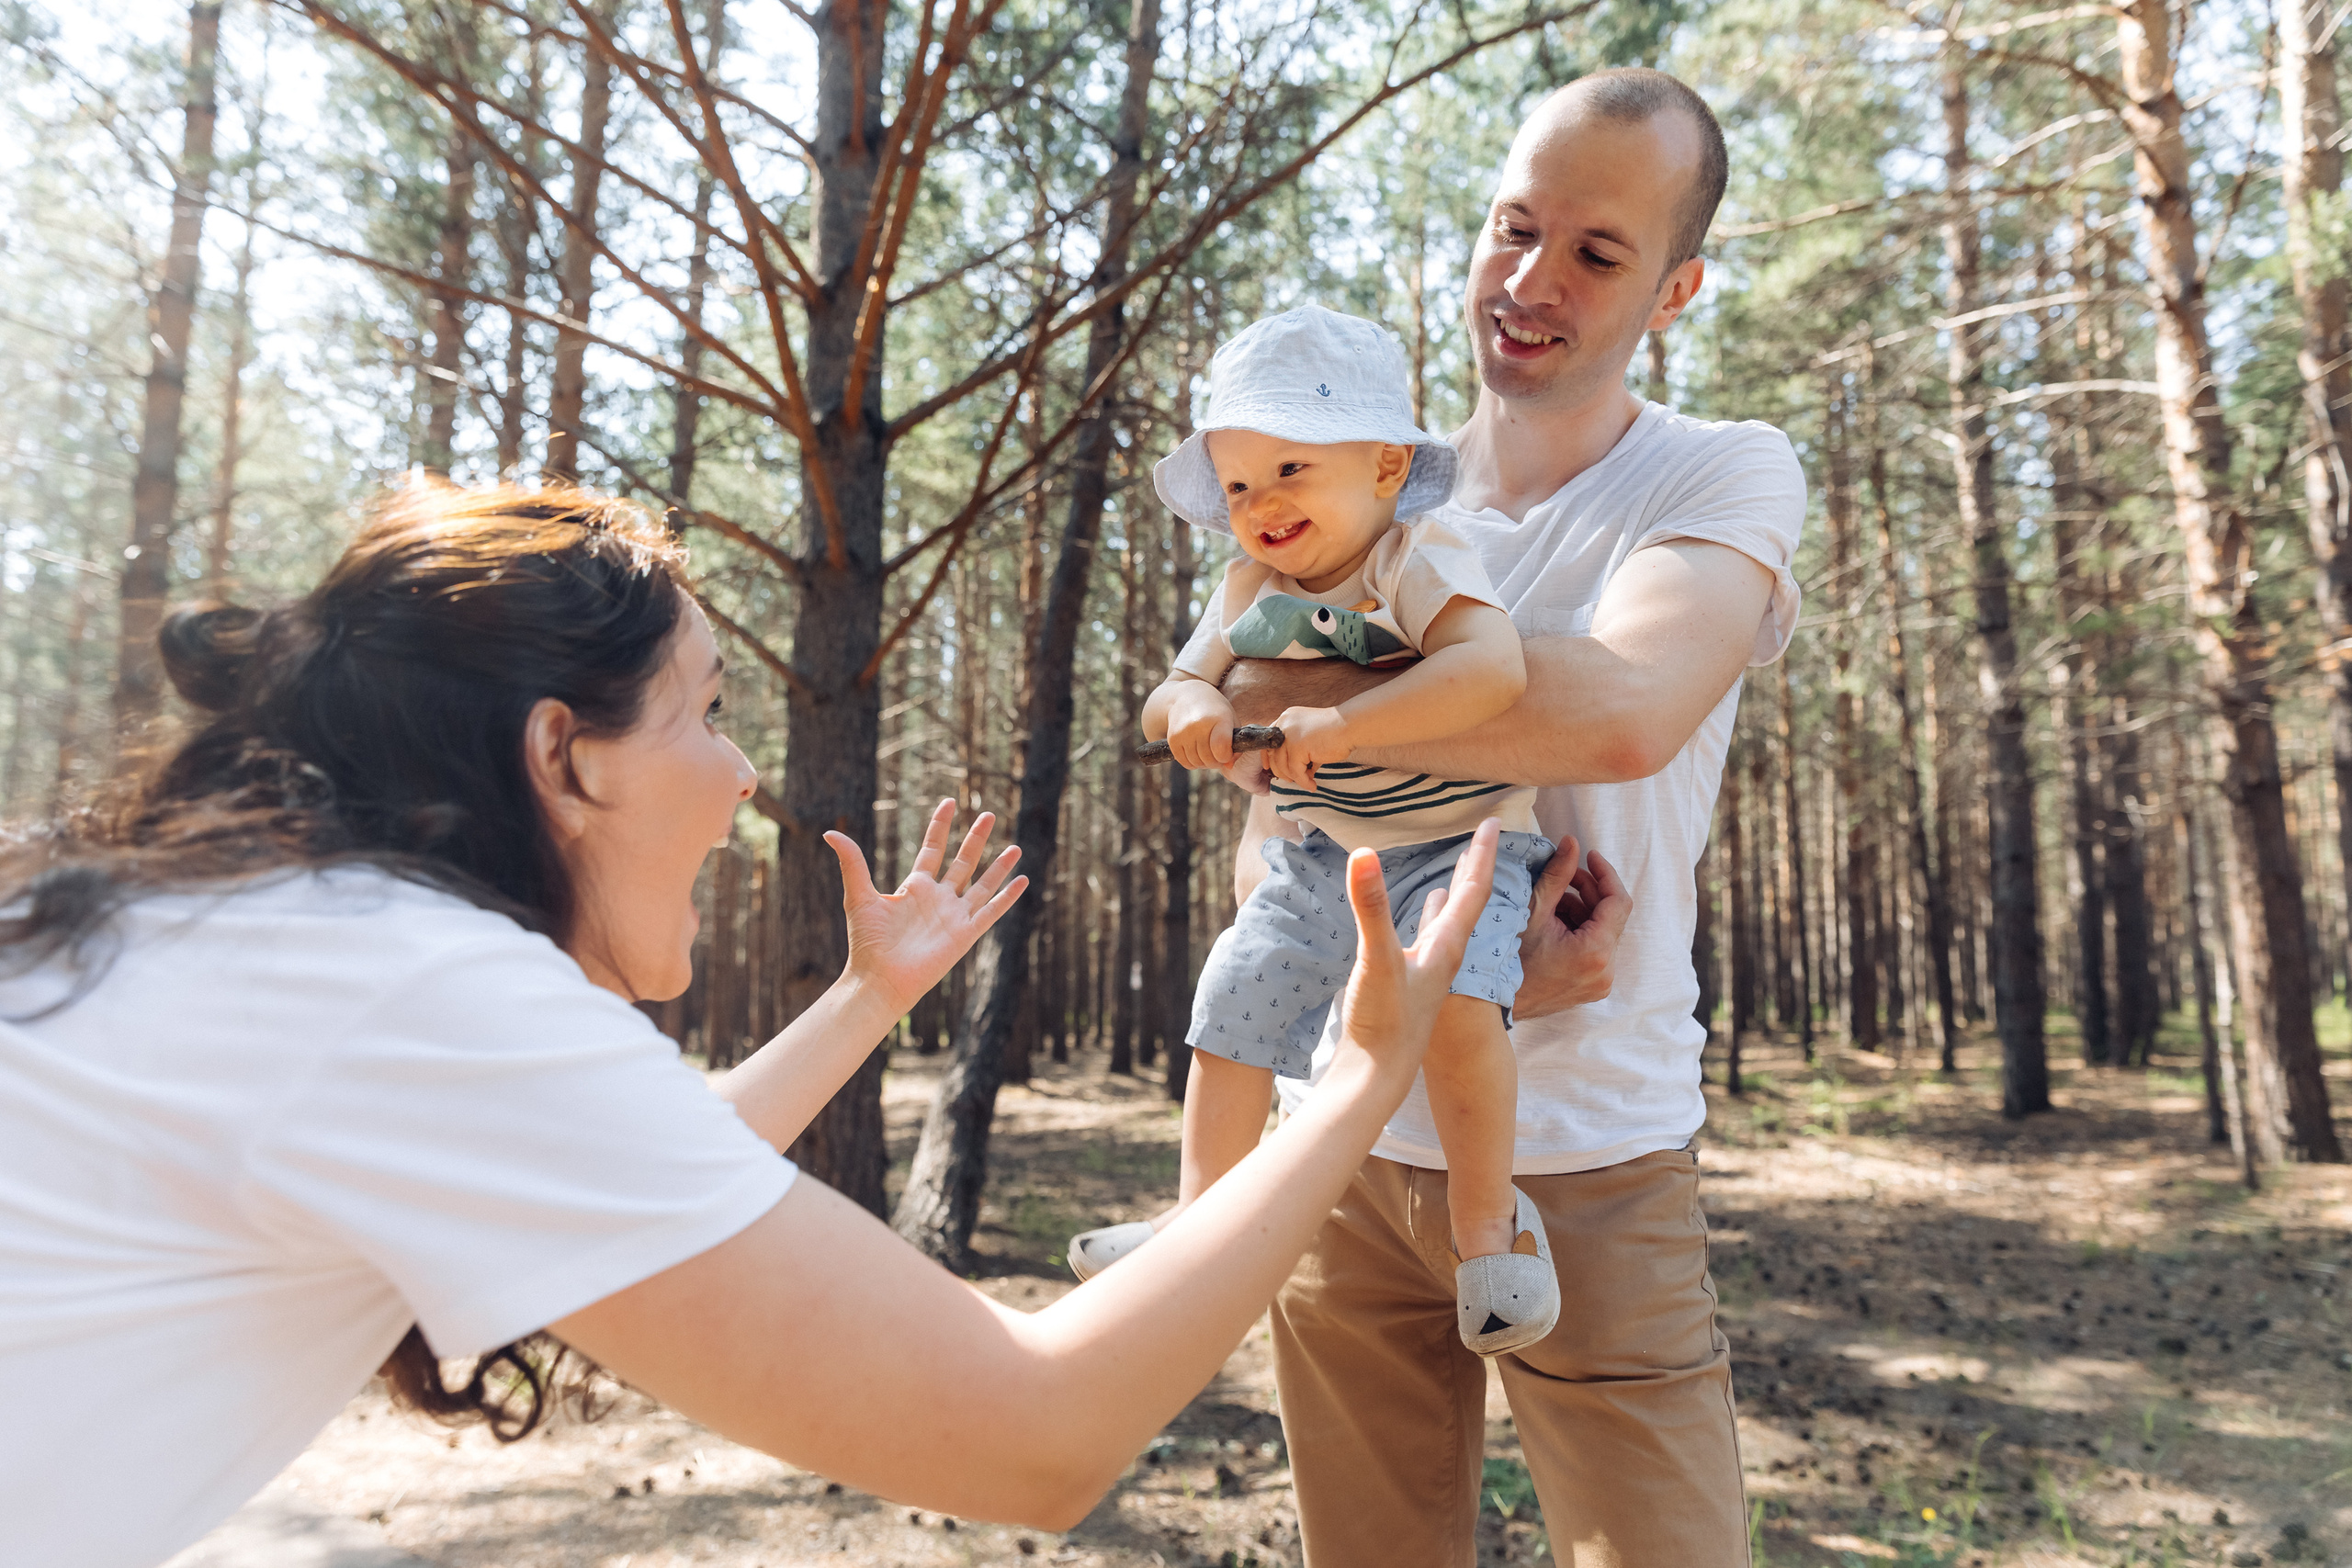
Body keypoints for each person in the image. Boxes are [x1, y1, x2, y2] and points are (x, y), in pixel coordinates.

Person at [0, 482, 1506, 1568]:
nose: (742, 782)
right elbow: (1039, 1432)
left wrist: (868, 998)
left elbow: (638, 1192)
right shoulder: (405, 982)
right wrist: (1363, 1069)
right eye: (707, 713)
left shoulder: (269, 927)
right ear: (560, 754)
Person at [1218, 70, 1807, 1565]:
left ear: (1674, 287)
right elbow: (1261, 794)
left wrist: (1324, 708)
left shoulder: (1718, 469)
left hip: (1592, 1152)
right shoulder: (1366, 495)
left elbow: (1625, 704)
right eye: (1513, 228)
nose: (1531, 281)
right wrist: (1441, 972)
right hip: (1344, 1144)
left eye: (1597, 252)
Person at [1069, 304, 1562, 1358]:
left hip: (1455, 845)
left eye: (1290, 467)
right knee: (1231, 1001)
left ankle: (1493, 1233)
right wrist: (1189, 712)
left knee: (1462, 1012)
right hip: (1324, 852)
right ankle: (1197, 1225)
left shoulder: (1417, 554)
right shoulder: (1248, 585)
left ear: (1386, 463)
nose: (1260, 504)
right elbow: (1172, 691)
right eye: (1239, 484)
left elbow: (1492, 668)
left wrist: (1345, 722)